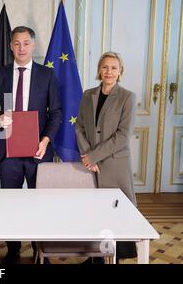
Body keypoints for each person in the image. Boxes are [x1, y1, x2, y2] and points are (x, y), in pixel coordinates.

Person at [0, 26, 62, 264]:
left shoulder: (47, 75)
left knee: (39, 204)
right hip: (8, 151)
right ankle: (13, 249)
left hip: (38, 151)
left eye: (26, 43)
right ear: (11, 46)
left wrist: (46, 139)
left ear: (33, 45)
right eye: (17, 43)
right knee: (10, 202)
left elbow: (57, 112)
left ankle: (41, 250)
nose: (21, 48)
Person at [75, 51, 137, 263]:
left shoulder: (127, 97)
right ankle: (96, 257)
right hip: (90, 165)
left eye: (113, 67)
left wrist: (93, 156)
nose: (109, 71)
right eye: (105, 67)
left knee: (116, 213)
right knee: (93, 213)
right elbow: (80, 127)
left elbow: (123, 135)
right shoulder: (87, 94)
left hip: (114, 165)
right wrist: (87, 157)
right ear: (99, 70)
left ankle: (116, 256)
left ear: (120, 72)